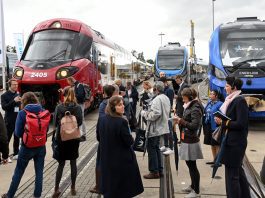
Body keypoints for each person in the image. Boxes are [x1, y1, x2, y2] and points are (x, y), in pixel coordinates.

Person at [2, 92, 48, 198]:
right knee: (39, 172)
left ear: (24, 101)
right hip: (41, 146)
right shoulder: (43, 111)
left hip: (27, 147)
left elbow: (17, 133)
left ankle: (10, 195)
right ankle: (37, 195)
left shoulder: (23, 113)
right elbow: (46, 129)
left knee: (19, 172)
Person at [97, 96, 144, 198]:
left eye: (123, 104)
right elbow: (129, 141)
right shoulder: (121, 121)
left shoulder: (101, 119)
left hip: (107, 159)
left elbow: (98, 137)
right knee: (123, 190)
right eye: (119, 105)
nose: (123, 106)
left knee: (110, 187)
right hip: (121, 161)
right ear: (113, 107)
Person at [214, 76, 250, 198]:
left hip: (236, 144)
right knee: (238, 173)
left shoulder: (240, 101)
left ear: (234, 88)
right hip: (231, 142)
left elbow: (241, 123)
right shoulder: (231, 100)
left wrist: (223, 122)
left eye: (227, 86)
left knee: (232, 177)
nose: (225, 88)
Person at [173, 88, 203, 198]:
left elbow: (195, 125)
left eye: (184, 97)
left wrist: (181, 121)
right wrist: (180, 119)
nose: (182, 98)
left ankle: (197, 191)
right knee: (190, 165)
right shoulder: (190, 105)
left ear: (189, 97)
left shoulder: (195, 107)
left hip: (191, 140)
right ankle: (192, 186)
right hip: (186, 138)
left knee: (192, 166)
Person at [52, 87, 83, 198]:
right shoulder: (78, 107)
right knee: (73, 163)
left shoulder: (59, 107)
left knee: (61, 164)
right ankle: (73, 188)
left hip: (61, 139)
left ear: (63, 95)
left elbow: (55, 123)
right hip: (74, 139)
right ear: (74, 95)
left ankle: (56, 189)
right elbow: (79, 122)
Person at [89, 85, 116, 194]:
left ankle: (99, 186)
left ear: (104, 92)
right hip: (115, 137)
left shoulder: (103, 104)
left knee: (100, 163)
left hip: (105, 138)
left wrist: (99, 137)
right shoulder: (117, 102)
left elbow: (101, 121)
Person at [141, 81, 171, 179]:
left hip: (154, 129)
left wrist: (145, 114)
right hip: (161, 127)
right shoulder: (165, 98)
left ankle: (154, 171)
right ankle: (159, 170)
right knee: (157, 148)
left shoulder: (157, 99)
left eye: (154, 89)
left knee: (152, 149)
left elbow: (156, 113)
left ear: (156, 89)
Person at [1, 79, 21, 160]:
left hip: (18, 119)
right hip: (9, 120)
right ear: (10, 85)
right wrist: (14, 101)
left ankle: (16, 153)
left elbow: (19, 106)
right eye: (14, 84)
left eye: (17, 84)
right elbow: (4, 107)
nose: (16, 86)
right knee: (7, 139)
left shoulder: (18, 94)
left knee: (17, 138)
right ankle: (5, 155)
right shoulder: (4, 95)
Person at [203, 90, 223, 164]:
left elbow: (222, 114)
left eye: (212, 94)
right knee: (212, 143)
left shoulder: (220, 104)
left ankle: (218, 161)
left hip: (216, 126)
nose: (210, 95)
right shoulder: (209, 102)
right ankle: (214, 159)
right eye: (210, 93)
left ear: (216, 96)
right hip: (208, 125)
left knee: (216, 144)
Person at [66, 77, 86, 141]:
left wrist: (73, 96)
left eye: (68, 82)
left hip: (80, 104)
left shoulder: (79, 85)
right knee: (78, 119)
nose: (68, 83)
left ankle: (83, 134)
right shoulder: (74, 86)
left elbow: (80, 95)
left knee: (81, 119)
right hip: (77, 104)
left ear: (71, 80)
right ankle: (79, 134)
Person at [159, 77, 175, 155]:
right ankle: (165, 145)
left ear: (164, 82)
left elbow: (170, 102)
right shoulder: (164, 90)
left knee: (169, 130)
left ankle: (171, 148)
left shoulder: (169, 90)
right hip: (163, 111)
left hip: (167, 112)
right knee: (164, 129)